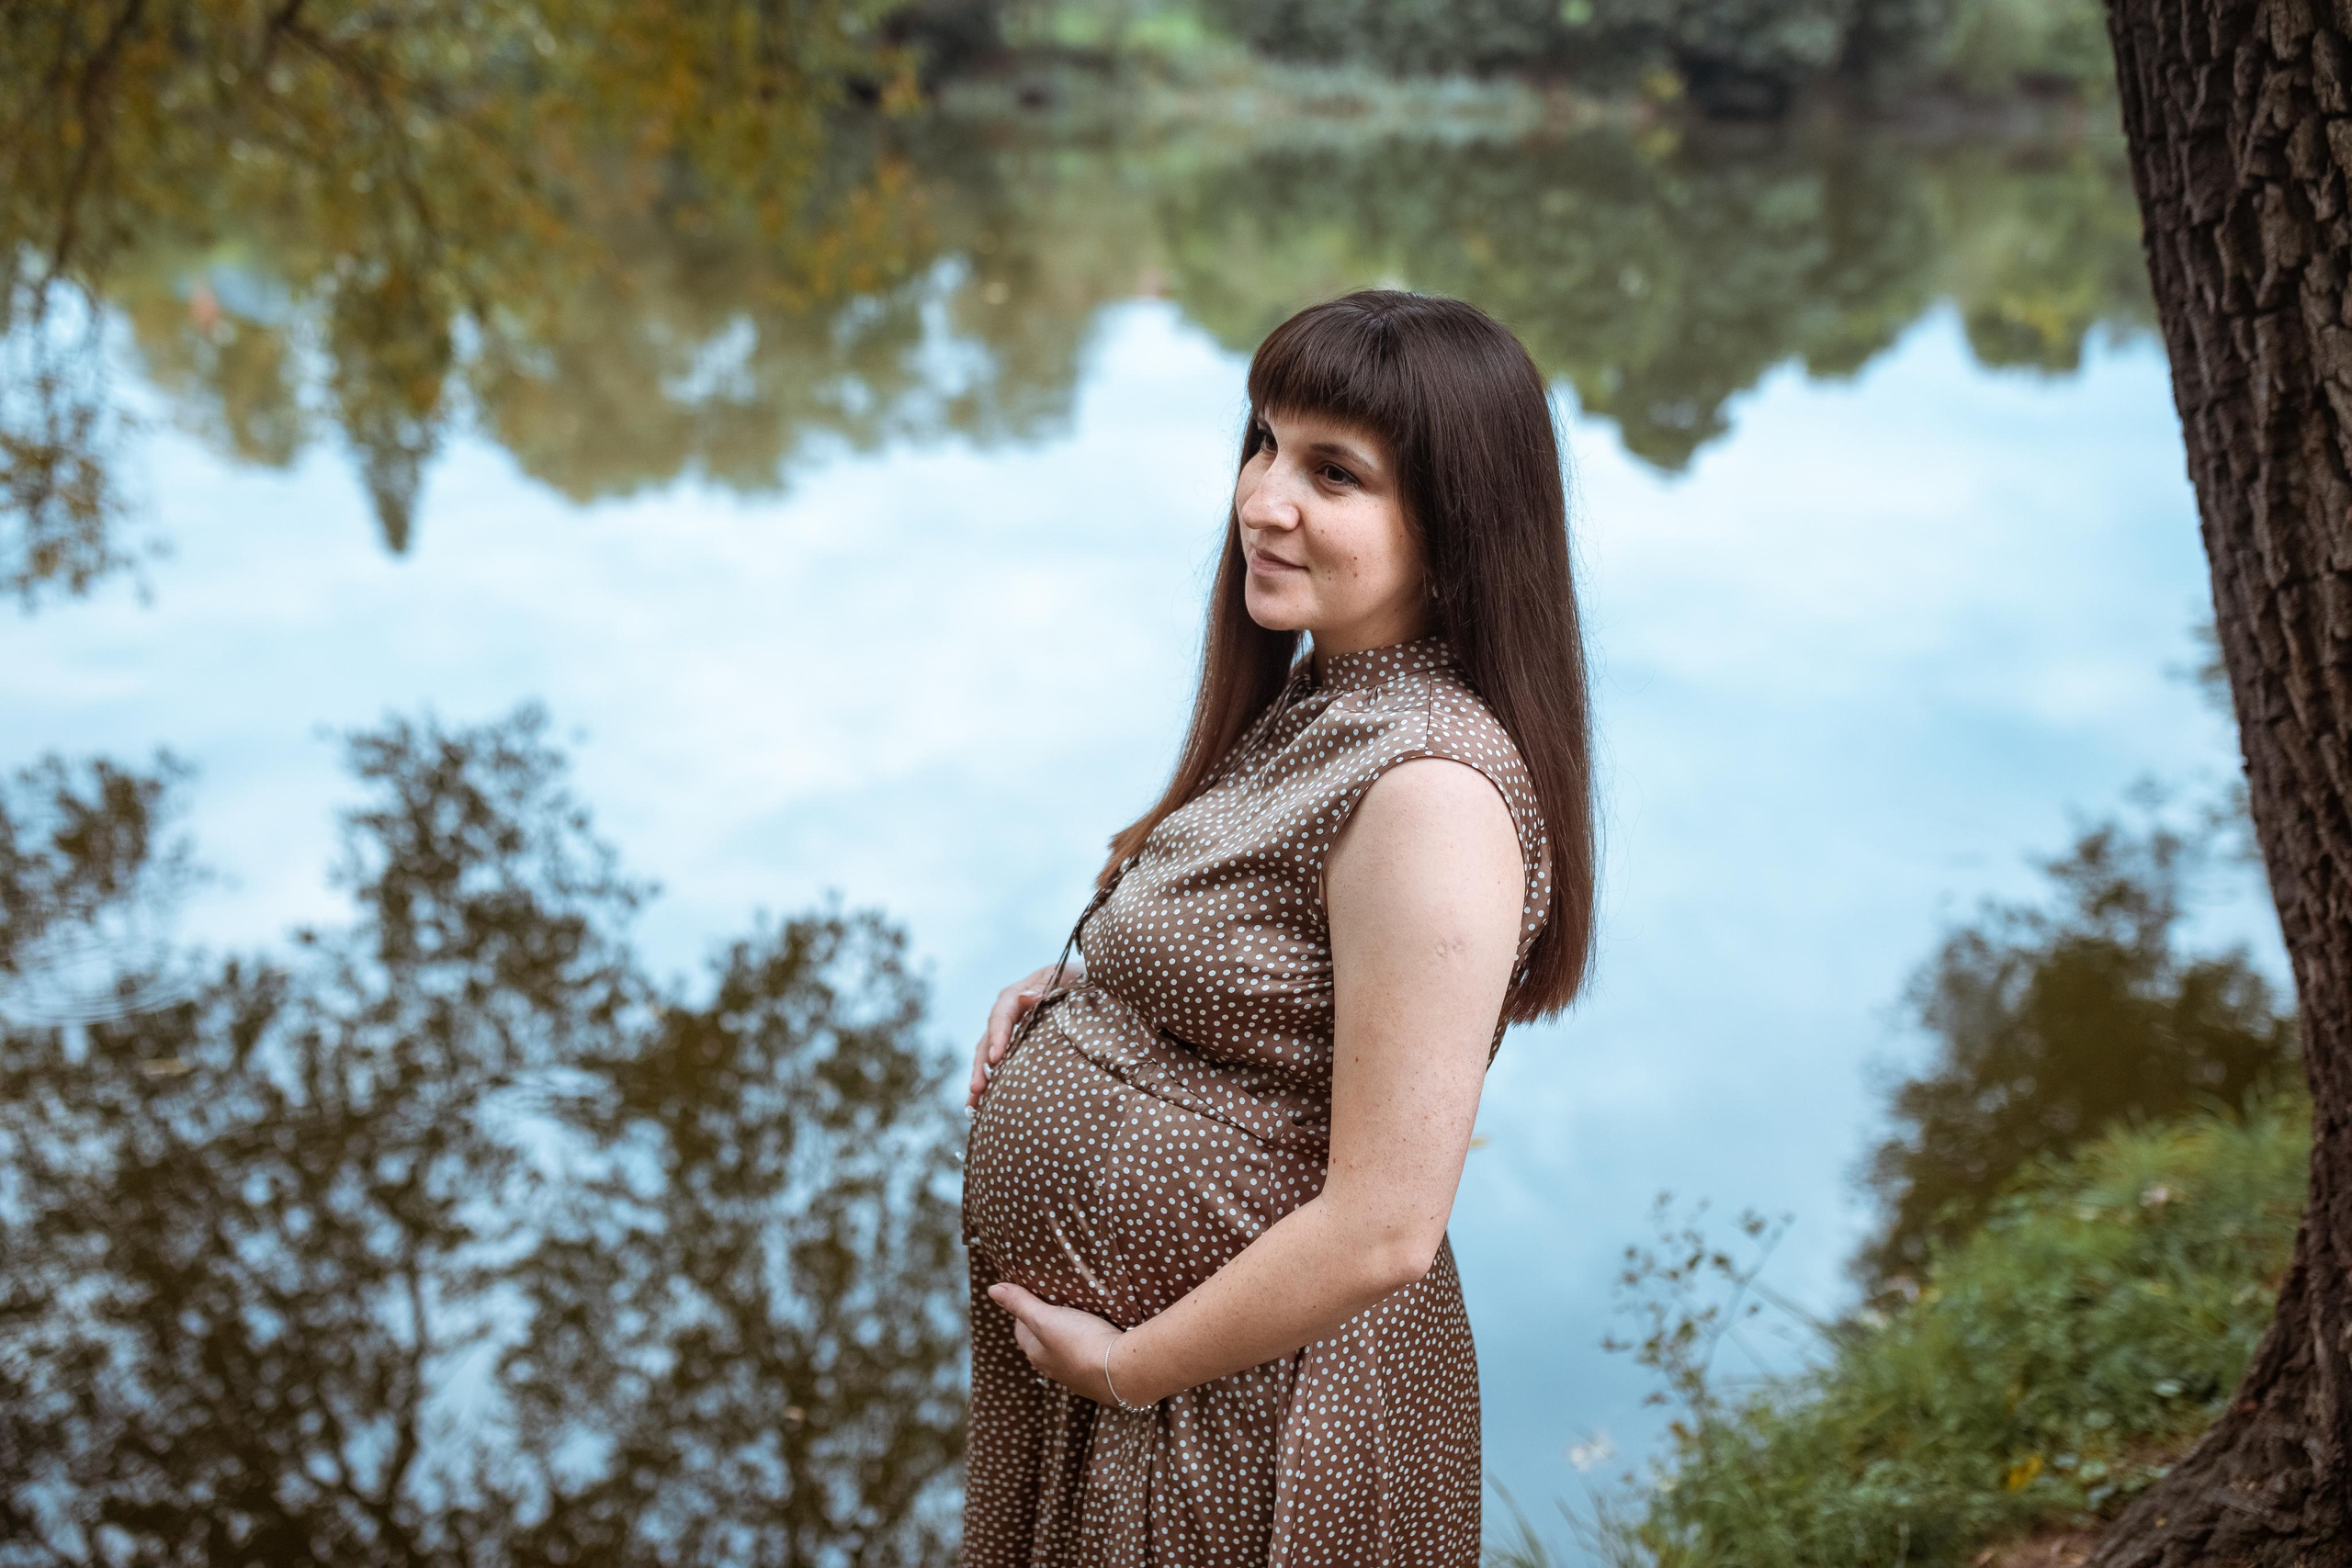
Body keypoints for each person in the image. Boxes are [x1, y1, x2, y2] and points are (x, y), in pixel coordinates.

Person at [960, 288, 1597, 1566]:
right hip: (1140, 1398)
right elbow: (1275, 985)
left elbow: (1386, 1227)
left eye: (1333, 473)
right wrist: (1093, 1009)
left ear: (1458, 526)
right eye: (1262, 443)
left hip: (1245, 1426)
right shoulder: (1326, 697)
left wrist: (1132, 1367)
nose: (1261, 499)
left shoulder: (1430, 792)